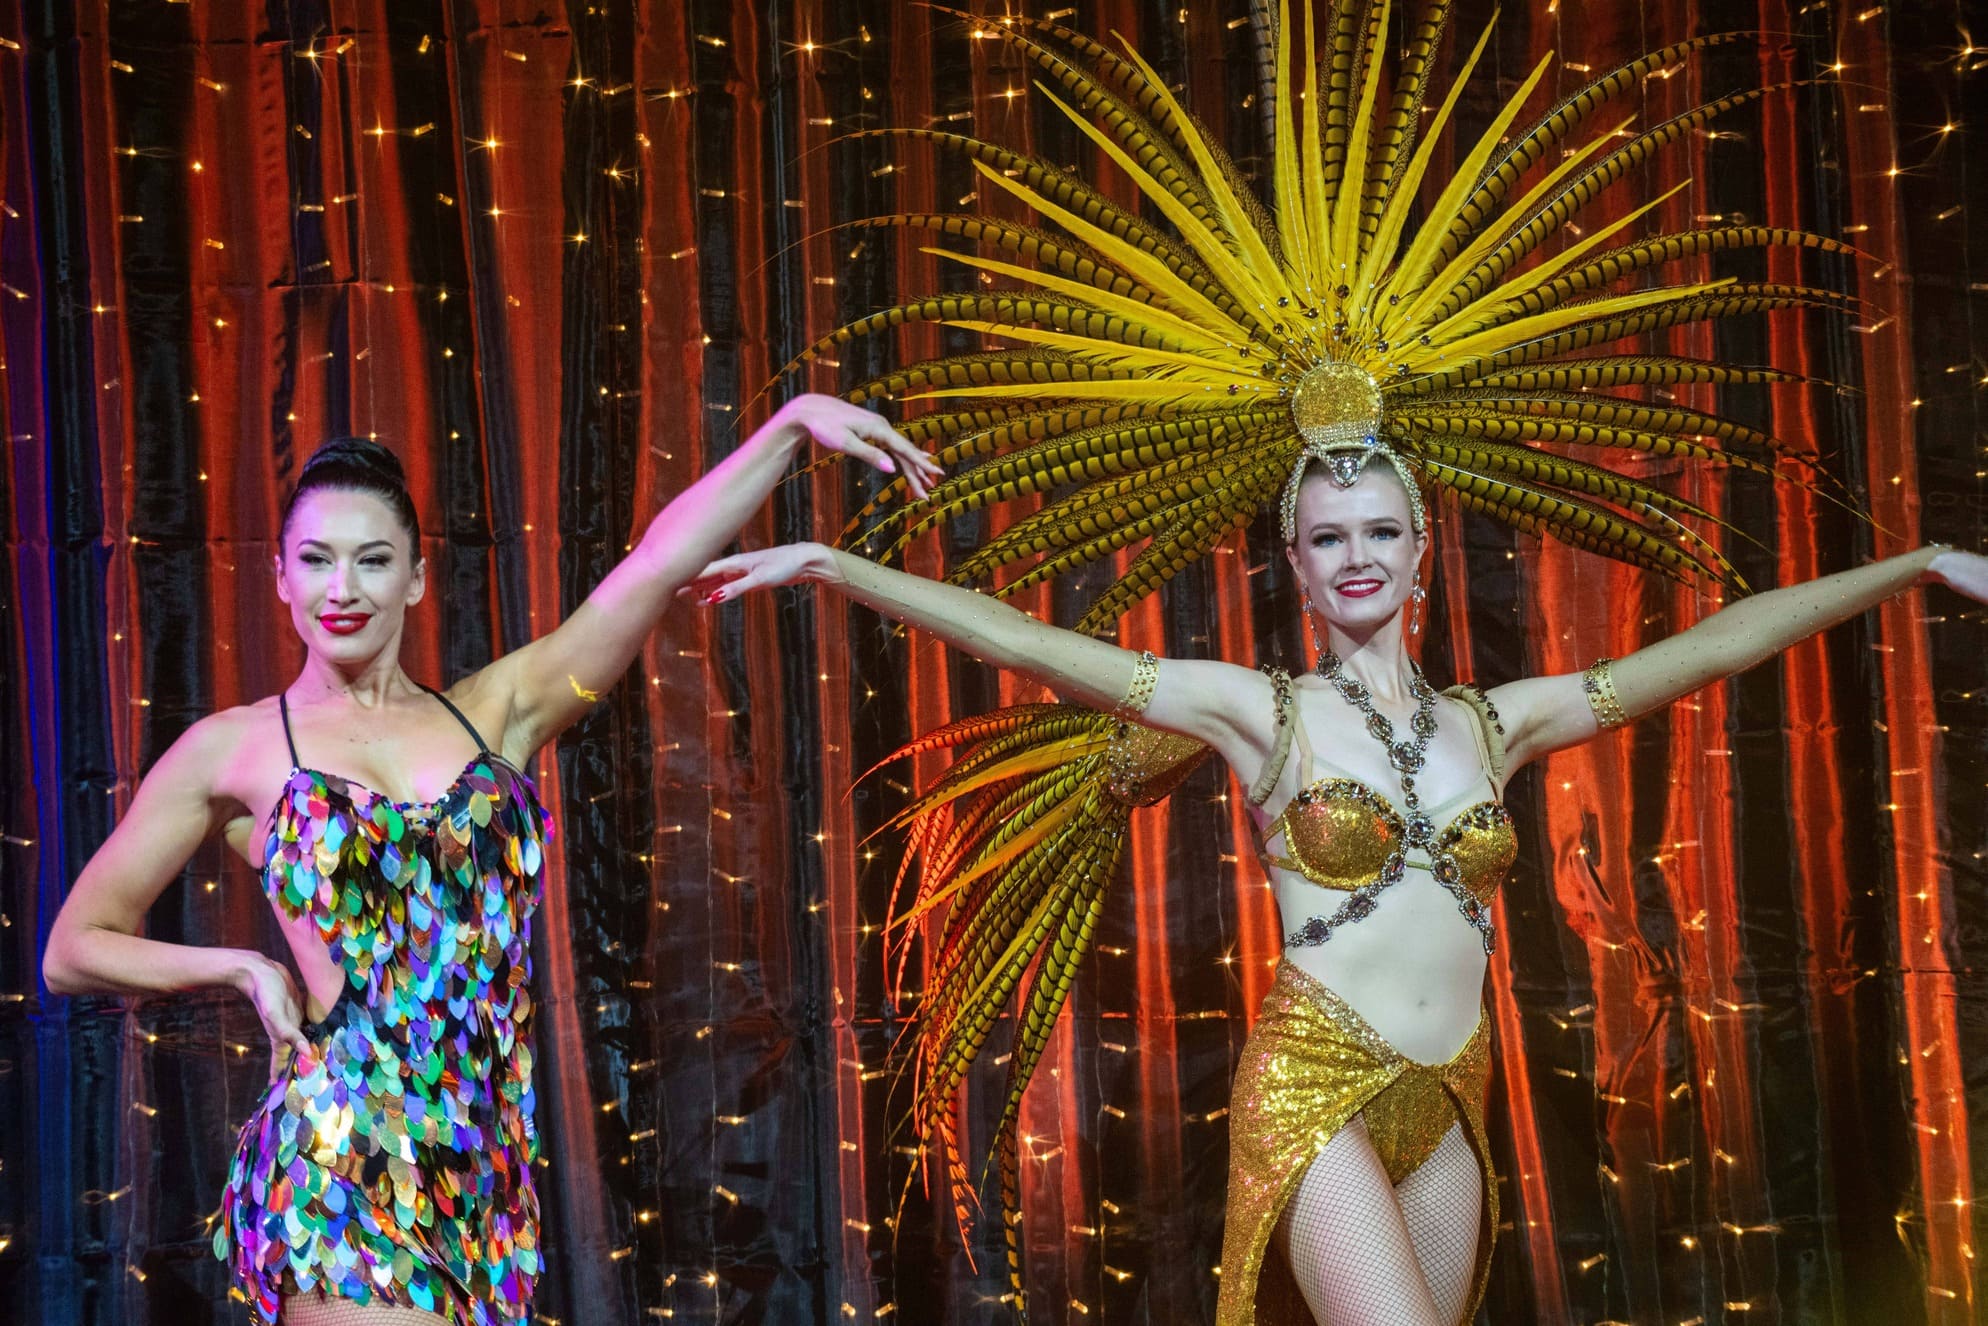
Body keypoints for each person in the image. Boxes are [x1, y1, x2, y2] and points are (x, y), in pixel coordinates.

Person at [682, 441, 1987, 1326]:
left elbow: (1714, 645)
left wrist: (1914, 564)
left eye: (1379, 529)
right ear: (1293, 567)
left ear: (1422, 550)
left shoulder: (1502, 721)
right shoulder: (1258, 711)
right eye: (1325, 537)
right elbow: (1030, 640)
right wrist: (835, 568)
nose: (1355, 553)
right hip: (1320, 1077)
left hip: (1452, 1091)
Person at [40, 395, 941, 1326]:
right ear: (279, 577)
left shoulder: (496, 710)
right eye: (315, 560)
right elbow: (73, 947)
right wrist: (241, 967)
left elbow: (653, 569)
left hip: (486, 1173)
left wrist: (789, 427)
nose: (340, 587)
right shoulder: (234, 749)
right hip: (343, 1156)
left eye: (372, 560)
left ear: (418, 580)